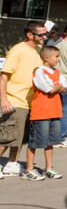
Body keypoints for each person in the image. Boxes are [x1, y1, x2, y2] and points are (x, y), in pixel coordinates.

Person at [0, 21, 48, 178]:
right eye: (41, 34)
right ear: (30, 35)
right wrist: (4, 99)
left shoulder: (36, 52)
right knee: (7, 136)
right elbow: (4, 76)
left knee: (19, 136)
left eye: (45, 34)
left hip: (29, 102)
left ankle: (12, 163)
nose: (44, 37)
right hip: (15, 100)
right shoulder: (18, 50)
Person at [22, 44, 66, 180]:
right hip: (41, 112)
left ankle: (48, 168)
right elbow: (48, 89)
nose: (58, 59)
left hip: (55, 111)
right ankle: (29, 169)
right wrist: (57, 87)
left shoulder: (58, 73)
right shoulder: (39, 71)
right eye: (56, 56)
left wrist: (57, 87)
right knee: (35, 141)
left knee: (50, 142)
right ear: (47, 58)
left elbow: (63, 88)